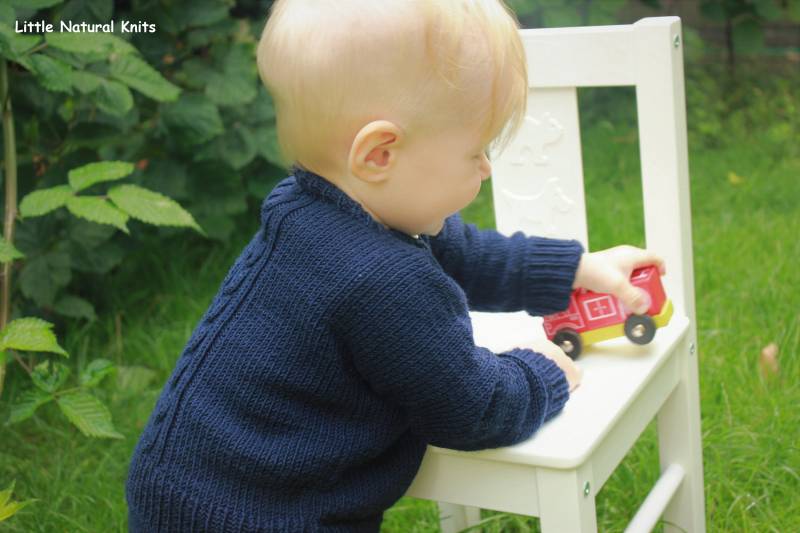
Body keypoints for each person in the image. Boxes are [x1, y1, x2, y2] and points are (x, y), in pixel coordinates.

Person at [125, 0, 665, 531]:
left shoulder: (310, 205)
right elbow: (470, 408)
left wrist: (575, 269)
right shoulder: (382, 280)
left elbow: (465, 254)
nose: (485, 168)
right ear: (380, 154)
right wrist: (542, 372)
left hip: (181, 487)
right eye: (475, 151)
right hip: (265, 518)